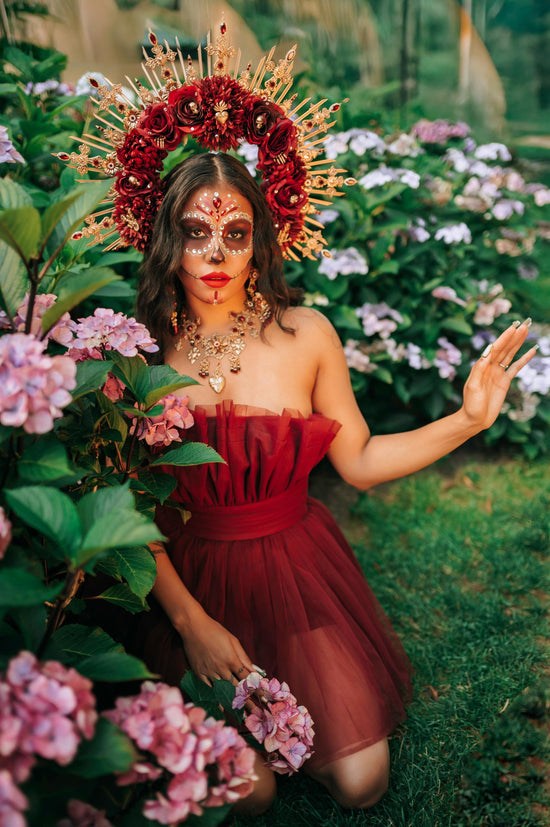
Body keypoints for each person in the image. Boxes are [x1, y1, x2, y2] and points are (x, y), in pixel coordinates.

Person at [132, 151, 537, 816]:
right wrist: (191, 622)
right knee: (249, 792)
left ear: (259, 240)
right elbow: (127, 508)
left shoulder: (306, 335)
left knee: (361, 782)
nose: (216, 253)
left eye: (235, 233)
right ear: (168, 238)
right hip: (186, 576)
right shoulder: (140, 348)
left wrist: (466, 420)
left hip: (293, 568)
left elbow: (361, 459)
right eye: (194, 231)